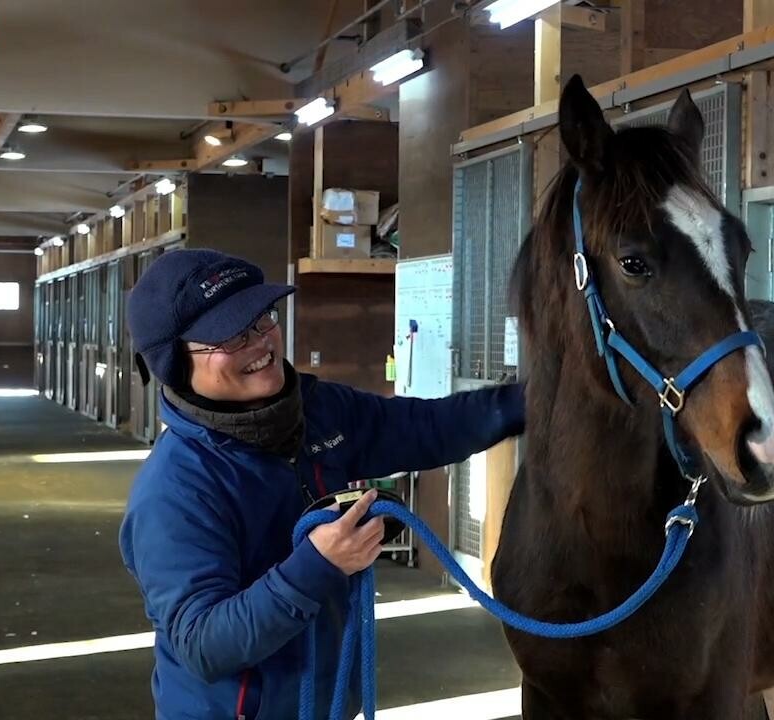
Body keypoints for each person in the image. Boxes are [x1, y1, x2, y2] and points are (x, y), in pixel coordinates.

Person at [118, 249, 524, 720]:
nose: (260, 342)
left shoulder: (318, 411)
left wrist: (534, 400)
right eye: (229, 336)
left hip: (327, 706)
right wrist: (318, 565)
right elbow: (204, 645)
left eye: (262, 318)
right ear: (173, 363)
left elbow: (429, 427)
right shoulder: (176, 489)